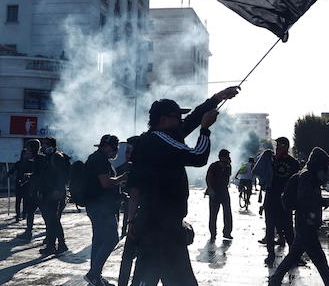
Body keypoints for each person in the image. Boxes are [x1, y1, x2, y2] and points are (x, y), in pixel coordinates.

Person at [126, 86, 239, 286]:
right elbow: (198, 156)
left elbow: (192, 119)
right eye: (176, 117)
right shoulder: (160, 141)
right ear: (163, 120)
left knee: (146, 278)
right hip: (163, 229)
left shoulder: (156, 138)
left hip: (153, 224)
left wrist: (217, 98)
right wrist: (205, 129)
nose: (180, 121)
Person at [269, 147, 329, 286]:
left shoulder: (310, 176)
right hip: (306, 222)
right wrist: (324, 202)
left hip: (305, 222)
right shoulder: (307, 177)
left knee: (293, 256)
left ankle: (275, 280)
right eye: (324, 165)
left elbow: (310, 196)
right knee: (319, 258)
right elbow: (305, 200)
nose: (325, 169)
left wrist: (324, 201)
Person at [84, 134, 127, 286]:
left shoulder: (97, 158)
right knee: (111, 239)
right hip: (101, 207)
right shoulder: (100, 160)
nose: (116, 153)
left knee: (99, 240)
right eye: (115, 149)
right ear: (108, 147)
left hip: (97, 206)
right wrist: (122, 178)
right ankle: (93, 274)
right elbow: (106, 183)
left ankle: (96, 276)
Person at [263, 137, 301, 265]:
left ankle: (293, 257)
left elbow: (297, 183)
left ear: (285, 146)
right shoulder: (270, 160)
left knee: (289, 230)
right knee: (269, 229)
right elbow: (258, 172)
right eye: (276, 145)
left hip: (285, 201)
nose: (277, 147)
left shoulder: (293, 163)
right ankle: (270, 255)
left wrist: (295, 201)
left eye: (280, 145)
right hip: (271, 199)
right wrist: (264, 156)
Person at [34, 137, 71, 255]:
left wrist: (58, 190)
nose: (43, 146)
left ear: (52, 145)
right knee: (53, 220)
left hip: (55, 193)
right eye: (43, 144)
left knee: (52, 220)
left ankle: (53, 245)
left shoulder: (56, 157)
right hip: (49, 192)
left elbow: (62, 175)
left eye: (46, 144)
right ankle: (60, 244)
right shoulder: (48, 158)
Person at [118, 136, 141, 286]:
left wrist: (131, 222)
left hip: (142, 219)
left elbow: (134, 196)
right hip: (142, 219)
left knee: (131, 257)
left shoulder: (138, 170)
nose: (127, 154)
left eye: (130, 151)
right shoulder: (127, 167)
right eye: (126, 151)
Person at [206, 149, 233, 240]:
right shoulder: (214, 166)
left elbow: (227, 179)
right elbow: (208, 177)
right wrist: (210, 189)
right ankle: (213, 233)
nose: (229, 158)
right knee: (213, 214)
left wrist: (227, 166)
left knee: (227, 213)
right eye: (227, 157)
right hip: (214, 192)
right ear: (222, 157)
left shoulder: (228, 166)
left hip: (224, 191)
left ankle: (227, 232)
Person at [19, 140, 42, 241]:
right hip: (36, 192)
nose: (26, 152)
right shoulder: (36, 160)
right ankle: (28, 232)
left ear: (33, 149)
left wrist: (29, 176)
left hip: (40, 192)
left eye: (28, 149)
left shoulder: (39, 160)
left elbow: (39, 176)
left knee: (48, 216)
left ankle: (58, 240)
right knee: (30, 212)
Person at [7, 148, 35, 222]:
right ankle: (18, 214)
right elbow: (13, 170)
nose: (25, 156)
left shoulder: (31, 163)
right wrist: (8, 174)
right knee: (18, 200)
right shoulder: (18, 163)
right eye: (24, 154)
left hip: (27, 183)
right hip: (18, 183)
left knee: (26, 200)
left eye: (27, 154)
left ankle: (24, 213)